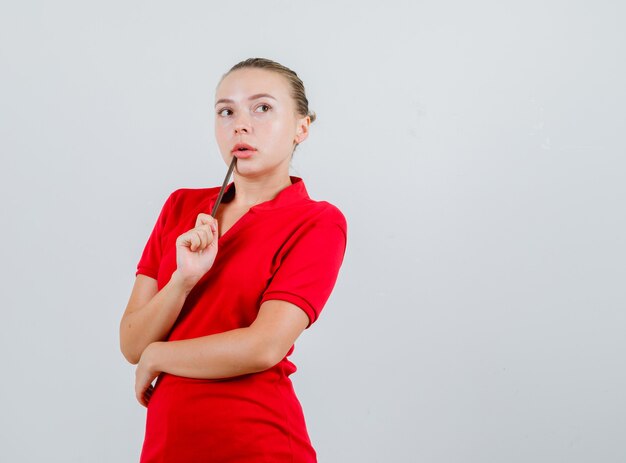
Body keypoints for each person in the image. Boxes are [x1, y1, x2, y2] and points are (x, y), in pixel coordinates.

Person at [119, 57, 348, 462]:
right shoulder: (181, 206)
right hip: (167, 447)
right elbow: (133, 343)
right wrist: (182, 281)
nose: (240, 125)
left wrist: (160, 356)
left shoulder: (317, 222)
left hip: (259, 444)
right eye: (226, 111)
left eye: (262, 108)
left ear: (301, 127)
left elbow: (264, 346)